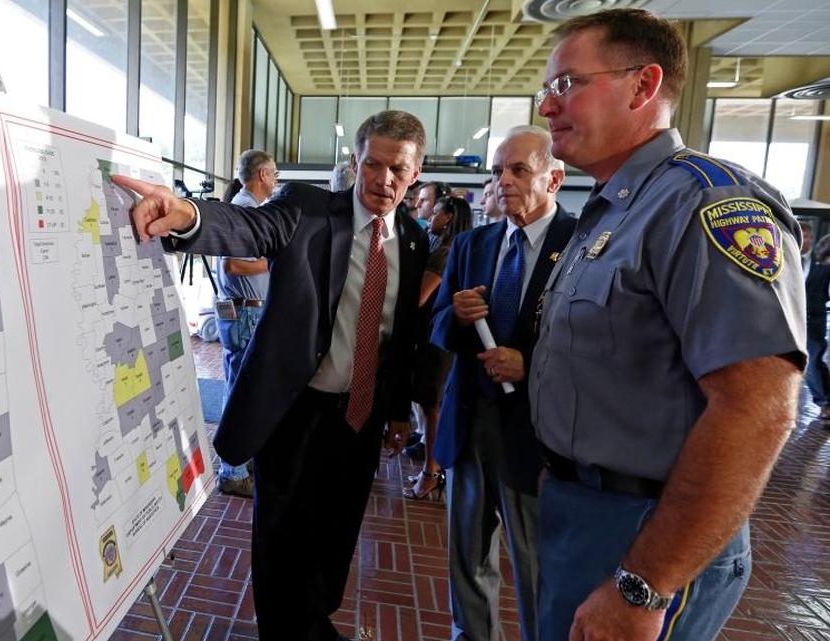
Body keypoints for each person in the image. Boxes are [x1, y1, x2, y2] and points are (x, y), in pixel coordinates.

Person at [532, 9, 804, 641]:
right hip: (588, 512)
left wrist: (645, 583)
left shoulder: (705, 203)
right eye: (547, 91)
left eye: (566, 85)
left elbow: (757, 408)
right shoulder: (611, 211)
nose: (548, 109)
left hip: (649, 533)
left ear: (642, 85)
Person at [113, 110, 429, 641]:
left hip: (360, 414)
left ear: (416, 172)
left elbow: (398, 338)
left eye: (397, 168)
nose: (383, 180)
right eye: (372, 164)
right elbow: (248, 226)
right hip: (295, 408)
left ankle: (313, 614)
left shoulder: (414, 240)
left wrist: (397, 410)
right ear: (355, 163)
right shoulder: (307, 209)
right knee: (281, 530)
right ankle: (286, 628)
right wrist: (187, 214)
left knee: (339, 524)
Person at [429, 125, 575, 641]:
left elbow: (592, 348)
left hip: (537, 436)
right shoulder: (473, 244)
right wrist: (459, 317)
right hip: (471, 425)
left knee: (537, 568)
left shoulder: (579, 245)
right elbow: (439, 328)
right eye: (497, 171)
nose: (503, 182)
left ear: (553, 178)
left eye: (518, 170)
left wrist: (528, 364)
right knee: (468, 556)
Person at [214, 150, 277, 496]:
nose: (277, 180)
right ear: (263, 174)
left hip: (244, 310)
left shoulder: (245, 209)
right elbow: (233, 266)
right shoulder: (245, 211)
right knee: (240, 390)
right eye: (275, 173)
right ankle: (232, 470)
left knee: (240, 386)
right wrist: (274, 261)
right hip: (245, 312)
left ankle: (239, 459)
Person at [404, 194, 473, 500]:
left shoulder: (444, 253)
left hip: (437, 341)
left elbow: (419, 297)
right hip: (435, 337)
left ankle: (432, 473)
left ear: (447, 218)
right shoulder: (447, 248)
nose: (428, 217)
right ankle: (432, 470)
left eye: (434, 213)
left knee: (434, 409)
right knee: (432, 407)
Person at [805, 233, 830, 420]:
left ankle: (825, 403)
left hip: (813, 321)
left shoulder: (822, 268)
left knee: (813, 362)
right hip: (793, 321)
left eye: (808, 237)